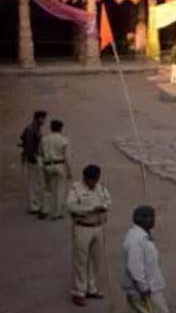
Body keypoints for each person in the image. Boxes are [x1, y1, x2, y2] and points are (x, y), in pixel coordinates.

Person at [67, 164, 111, 306]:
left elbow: (108, 200)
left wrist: (104, 206)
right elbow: (71, 206)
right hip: (82, 227)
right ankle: (79, 291)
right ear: (85, 178)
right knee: (81, 260)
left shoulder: (101, 187)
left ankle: (92, 288)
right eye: (91, 180)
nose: (94, 182)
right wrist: (91, 209)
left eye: (96, 179)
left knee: (96, 259)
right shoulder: (76, 189)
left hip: (98, 226)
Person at [123, 205, 168, 313]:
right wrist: (143, 288)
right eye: (150, 217)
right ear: (140, 219)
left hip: (150, 286)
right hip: (146, 290)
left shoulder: (142, 235)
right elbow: (135, 267)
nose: (153, 220)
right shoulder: (136, 240)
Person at [41, 119, 71, 220]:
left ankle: (45, 209)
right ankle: (57, 212)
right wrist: (69, 171)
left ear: (51, 128)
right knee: (60, 189)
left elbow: (40, 153)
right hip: (59, 165)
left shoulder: (44, 139)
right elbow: (67, 157)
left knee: (47, 189)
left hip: (47, 164)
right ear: (61, 128)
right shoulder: (64, 140)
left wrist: (42, 166)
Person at [19, 110, 47, 217]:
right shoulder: (31, 129)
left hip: (34, 157)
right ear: (38, 118)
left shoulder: (34, 128)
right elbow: (29, 145)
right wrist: (33, 158)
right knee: (34, 183)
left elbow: (22, 138)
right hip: (33, 158)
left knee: (36, 183)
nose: (44, 121)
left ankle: (35, 204)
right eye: (43, 118)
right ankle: (33, 206)